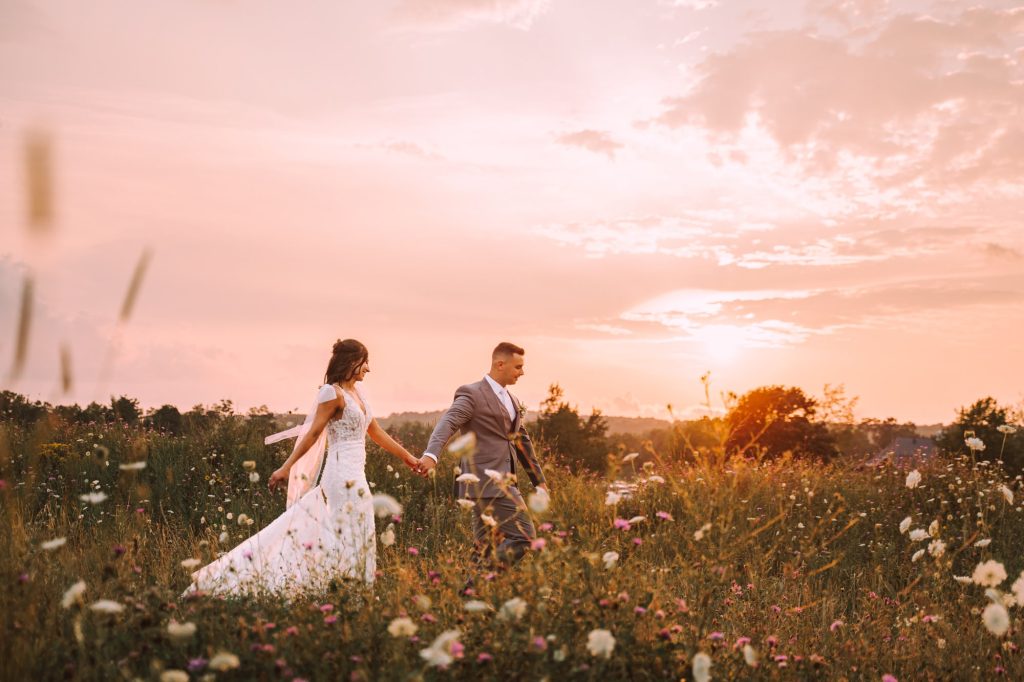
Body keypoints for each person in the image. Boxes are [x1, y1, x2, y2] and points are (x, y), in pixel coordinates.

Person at [185, 339, 419, 597]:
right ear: (352, 362)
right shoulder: (332, 393)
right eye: (365, 362)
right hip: (340, 477)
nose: (368, 369)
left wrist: (407, 456)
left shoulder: (360, 393)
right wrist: (286, 467)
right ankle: (336, 588)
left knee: (362, 529)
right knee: (343, 531)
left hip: (358, 475)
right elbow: (313, 433)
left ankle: (355, 590)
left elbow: (374, 431)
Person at [417, 342, 548, 569]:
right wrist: (431, 454)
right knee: (524, 537)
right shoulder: (472, 394)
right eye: (518, 367)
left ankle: (470, 597)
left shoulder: (513, 400)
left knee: (485, 546)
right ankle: (478, 586)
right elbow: (448, 422)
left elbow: (521, 442)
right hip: (485, 480)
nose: (522, 372)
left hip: (504, 482)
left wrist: (540, 481)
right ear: (500, 364)